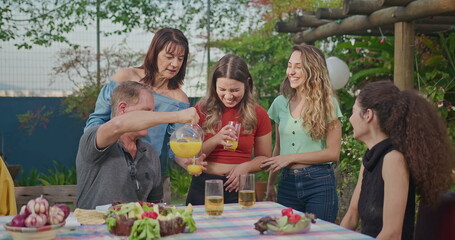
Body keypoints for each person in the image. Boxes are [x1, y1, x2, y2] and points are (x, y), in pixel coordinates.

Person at [84, 28, 190, 204]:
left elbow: (176, 147)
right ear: (154, 52)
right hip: (110, 167)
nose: (175, 64)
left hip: (148, 176)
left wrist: (187, 160)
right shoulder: (125, 77)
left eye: (180, 58)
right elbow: (96, 122)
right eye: (169, 56)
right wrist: (93, 150)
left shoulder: (179, 98)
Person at [340, 80, 455, 239]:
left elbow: (392, 234)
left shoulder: (393, 160)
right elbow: (352, 215)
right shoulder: (370, 157)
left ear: (368, 115)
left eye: (353, 112)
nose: (351, 118)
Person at [76, 81, 200, 209]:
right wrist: (177, 116)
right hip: (94, 227)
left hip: (134, 226)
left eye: (153, 112)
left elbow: (154, 205)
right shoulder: (93, 139)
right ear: (122, 109)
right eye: (146, 112)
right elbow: (118, 125)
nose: (151, 119)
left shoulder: (150, 153)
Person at [261, 45, 342, 223]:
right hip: (286, 184)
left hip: (319, 183)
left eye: (298, 67)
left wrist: (290, 158)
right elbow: (279, 148)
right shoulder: (279, 103)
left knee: (319, 236)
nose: (291, 71)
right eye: (290, 65)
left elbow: (333, 153)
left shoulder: (328, 104)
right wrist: (270, 184)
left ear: (313, 70)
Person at [182, 54, 272, 205]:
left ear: (247, 83)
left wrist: (246, 167)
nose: (228, 96)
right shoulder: (201, 110)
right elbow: (192, 154)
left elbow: (265, 158)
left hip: (241, 186)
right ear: (214, 85)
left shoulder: (259, 114)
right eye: (222, 89)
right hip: (205, 185)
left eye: (235, 90)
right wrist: (216, 139)